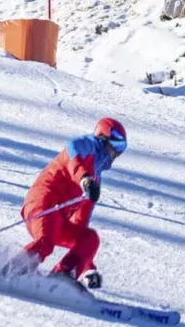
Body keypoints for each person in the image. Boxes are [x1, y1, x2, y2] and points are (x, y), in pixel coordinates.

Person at [19, 117, 127, 289]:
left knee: (89, 238)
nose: (116, 152)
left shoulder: (95, 180)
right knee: (45, 243)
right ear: (102, 137)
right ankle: (12, 271)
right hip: (42, 202)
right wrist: (84, 180)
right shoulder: (84, 145)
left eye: (122, 147)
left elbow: (80, 221)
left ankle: (62, 276)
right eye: (116, 144)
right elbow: (74, 159)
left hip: (58, 218)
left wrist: (87, 268)